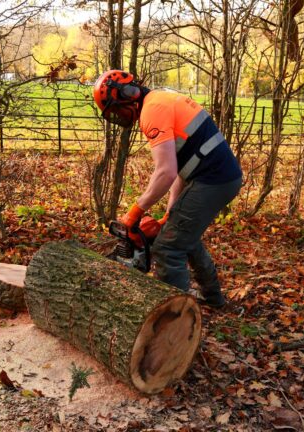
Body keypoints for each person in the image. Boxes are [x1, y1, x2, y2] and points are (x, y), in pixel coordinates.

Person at [93, 70, 243, 308]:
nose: (118, 116)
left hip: (213, 179)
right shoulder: (160, 99)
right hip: (217, 176)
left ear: (127, 95)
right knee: (184, 235)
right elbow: (180, 167)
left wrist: (134, 212)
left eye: (116, 110)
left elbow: (165, 172)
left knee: (167, 247)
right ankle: (213, 298)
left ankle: (173, 314)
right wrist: (170, 213)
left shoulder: (153, 111)